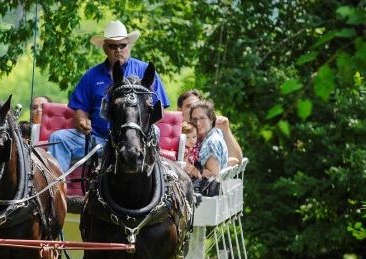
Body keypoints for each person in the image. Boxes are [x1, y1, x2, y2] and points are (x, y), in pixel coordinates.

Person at [48, 20, 170, 173]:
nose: (118, 50)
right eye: (113, 46)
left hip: (134, 139)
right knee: (58, 138)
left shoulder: (144, 70)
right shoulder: (91, 76)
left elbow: (160, 106)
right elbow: (80, 108)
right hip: (97, 139)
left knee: (156, 131)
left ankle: (157, 179)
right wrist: (82, 121)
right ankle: (55, 191)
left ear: (129, 46)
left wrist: (138, 127)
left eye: (122, 45)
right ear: (105, 48)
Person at [189, 100, 243, 178]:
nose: (198, 123)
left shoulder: (211, 143)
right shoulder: (214, 133)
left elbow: (213, 176)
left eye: (202, 118)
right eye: (194, 119)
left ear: (211, 119)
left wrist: (190, 169)